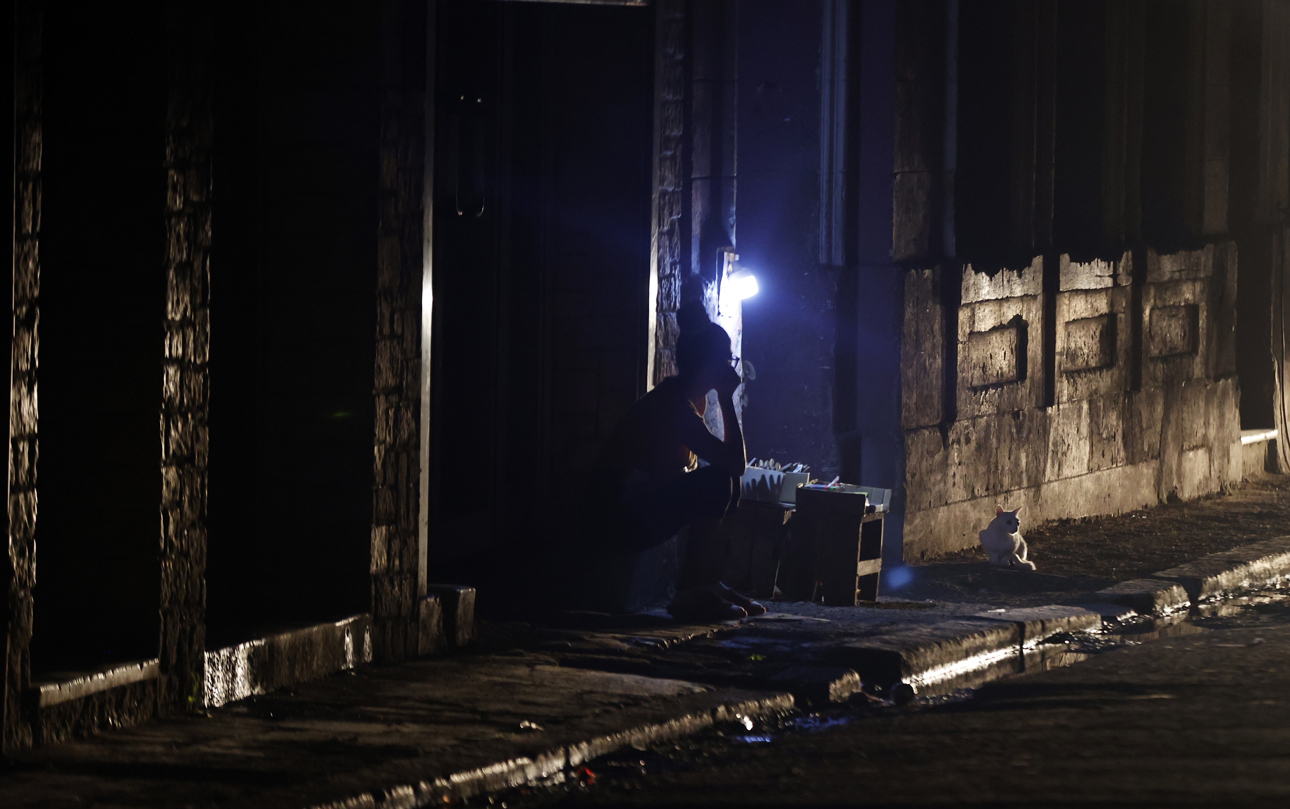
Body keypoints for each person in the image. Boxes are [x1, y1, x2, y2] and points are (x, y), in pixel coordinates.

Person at [584, 301, 766, 621]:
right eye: (726, 359)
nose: (730, 367)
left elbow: (731, 465)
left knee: (726, 481)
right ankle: (689, 592)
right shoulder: (674, 406)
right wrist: (726, 399)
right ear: (709, 364)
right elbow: (734, 463)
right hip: (618, 517)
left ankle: (708, 581)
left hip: (638, 508)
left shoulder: (689, 399)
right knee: (718, 480)